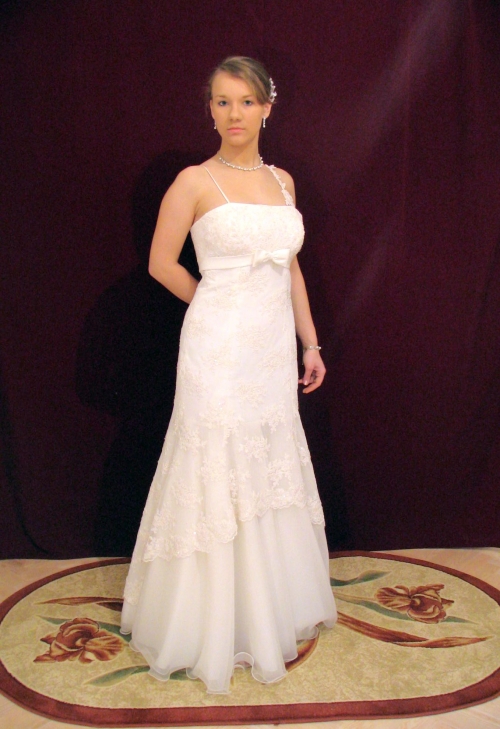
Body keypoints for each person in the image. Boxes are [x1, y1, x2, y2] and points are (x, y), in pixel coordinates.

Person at [120, 56, 337, 694]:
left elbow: (290, 268)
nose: (233, 114)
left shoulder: (283, 182)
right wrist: (213, 301)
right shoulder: (194, 181)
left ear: (268, 106)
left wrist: (310, 343)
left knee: (266, 463)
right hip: (216, 347)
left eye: (245, 101)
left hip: (270, 352)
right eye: (221, 101)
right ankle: (205, 621)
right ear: (209, 109)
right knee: (214, 461)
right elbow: (162, 262)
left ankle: (266, 607)